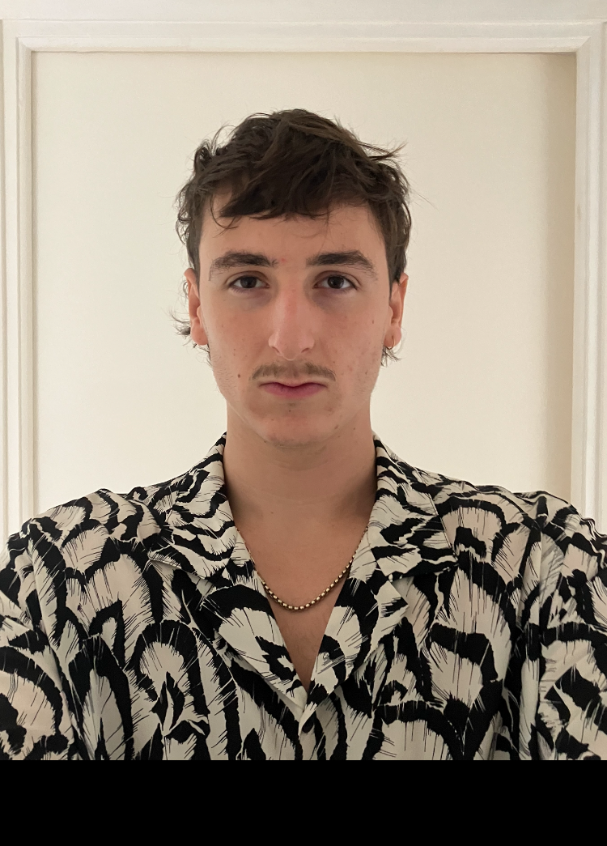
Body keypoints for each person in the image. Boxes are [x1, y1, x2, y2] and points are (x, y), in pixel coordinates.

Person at [1, 108, 606, 761]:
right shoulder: (55, 581)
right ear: (198, 306)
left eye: (335, 281)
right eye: (247, 281)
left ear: (393, 308)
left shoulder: (546, 572)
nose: (290, 339)